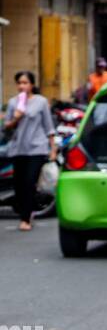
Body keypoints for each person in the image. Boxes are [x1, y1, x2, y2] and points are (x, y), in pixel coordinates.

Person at [3, 70, 56, 231]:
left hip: (36, 148)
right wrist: (16, 118)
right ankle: (26, 211)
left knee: (29, 182)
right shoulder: (13, 103)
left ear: (32, 85)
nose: (22, 86)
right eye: (19, 83)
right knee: (19, 185)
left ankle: (25, 219)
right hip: (18, 149)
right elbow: (6, 129)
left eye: (25, 83)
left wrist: (52, 148)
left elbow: (48, 126)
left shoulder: (41, 102)